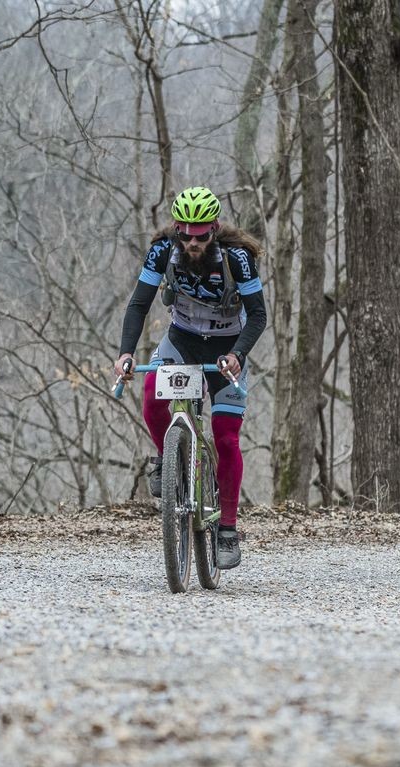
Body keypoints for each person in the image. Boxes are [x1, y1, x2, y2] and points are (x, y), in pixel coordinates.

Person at [112, 186, 267, 570]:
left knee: (227, 437)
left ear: (214, 227)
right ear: (176, 228)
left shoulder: (238, 258)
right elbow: (138, 304)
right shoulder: (163, 250)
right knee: (151, 394)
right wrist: (126, 353)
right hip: (181, 339)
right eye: (185, 233)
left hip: (226, 348)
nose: (192, 242)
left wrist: (237, 354)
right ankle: (167, 459)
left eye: (200, 234)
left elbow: (258, 315)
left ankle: (228, 528)